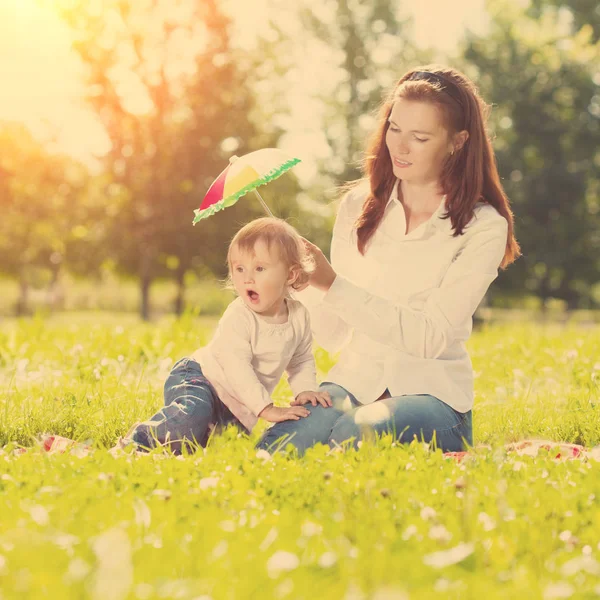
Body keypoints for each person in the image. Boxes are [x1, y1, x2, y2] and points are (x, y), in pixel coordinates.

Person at [257, 65, 521, 455]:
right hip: (352, 382)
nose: (400, 147)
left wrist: (333, 284)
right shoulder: (357, 207)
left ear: (457, 141)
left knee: (351, 436)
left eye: (419, 137)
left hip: (434, 398)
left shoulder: (483, 227)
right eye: (394, 129)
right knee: (279, 448)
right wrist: (303, 283)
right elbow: (335, 335)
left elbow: (429, 337)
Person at [125, 217, 331, 453]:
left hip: (238, 408)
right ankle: (139, 441)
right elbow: (236, 367)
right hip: (203, 381)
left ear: (291, 275)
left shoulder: (298, 316)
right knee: (193, 416)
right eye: (239, 268)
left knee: (223, 449)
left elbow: (301, 359)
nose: (247, 278)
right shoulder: (239, 315)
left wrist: (305, 388)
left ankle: (181, 442)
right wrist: (266, 408)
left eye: (260, 268)